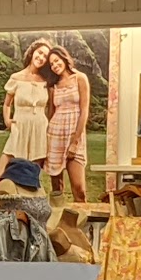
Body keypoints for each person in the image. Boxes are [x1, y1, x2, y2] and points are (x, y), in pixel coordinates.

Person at [0, 38, 55, 189]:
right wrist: (7, 120)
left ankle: (26, 204)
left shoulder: (46, 81)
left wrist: (48, 127)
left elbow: (51, 108)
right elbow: (7, 104)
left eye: (45, 56)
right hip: (19, 128)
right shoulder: (16, 78)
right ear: (32, 52)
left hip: (39, 129)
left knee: (29, 180)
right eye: (40, 53)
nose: (41, 57)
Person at [43, 43, 93, 201]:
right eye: (51, 64)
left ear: (64, 58)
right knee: (56, 188)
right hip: (55, 134)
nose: (55, 65)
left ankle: (81, 216)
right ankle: (58, 216)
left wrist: (75, 141)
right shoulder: (53, 85)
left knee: (79, 189)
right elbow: (51, 113)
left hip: (74, 134)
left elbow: (84, 111)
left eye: (57, 61)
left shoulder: (80, 78)